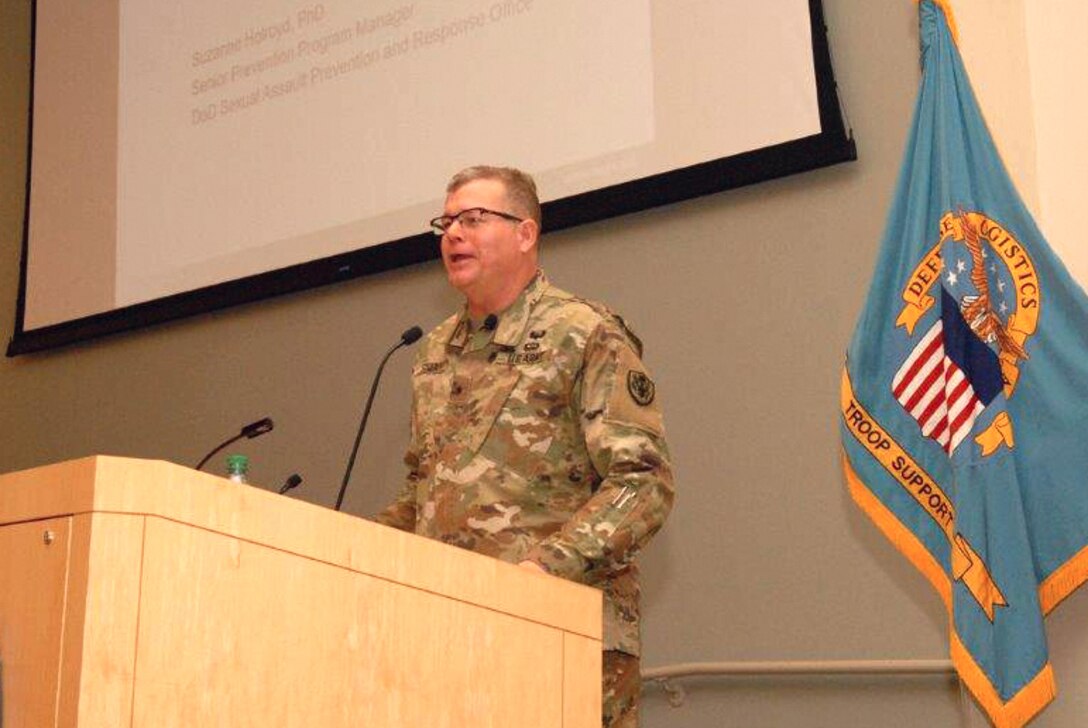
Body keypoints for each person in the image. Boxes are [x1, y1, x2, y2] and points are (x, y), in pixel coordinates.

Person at [374, 165, 674, 727]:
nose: (452, 234)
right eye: (446, 221)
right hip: (448, 633)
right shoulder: (434, 351)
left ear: (525, 233)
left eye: (473, 218)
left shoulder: (583, 332)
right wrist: (359, 552)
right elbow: (422, 490)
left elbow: (642, 482)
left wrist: (544, 571)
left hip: (563, 627)